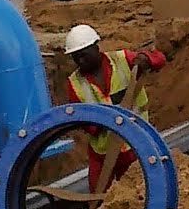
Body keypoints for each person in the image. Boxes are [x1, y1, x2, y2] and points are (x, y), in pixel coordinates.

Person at [61, 24, 168, 196]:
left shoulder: (123, 59)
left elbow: (159, 59)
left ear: (96, 48)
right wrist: (105, 119)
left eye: (84, 55)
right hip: (103, 154)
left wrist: (145, 59)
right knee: (98, 198)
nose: (80, 61)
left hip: (137, 145)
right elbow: (84, 123)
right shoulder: (75, 83)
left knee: (143, 193)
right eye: (76, 57)